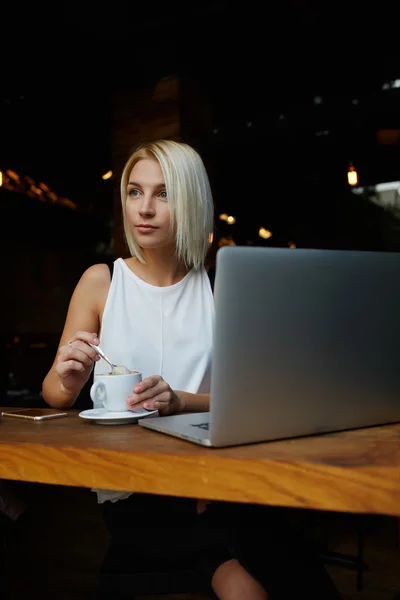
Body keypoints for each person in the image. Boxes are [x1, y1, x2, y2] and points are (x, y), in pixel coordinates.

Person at [42, 139, 341, 600]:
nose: (145, 208)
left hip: (216, 479)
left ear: (191, 201)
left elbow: (252, 400)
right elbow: (53, 396)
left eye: (164, 194)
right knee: (245, 582)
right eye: (135, 192)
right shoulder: (101, 281)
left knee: (300, 574)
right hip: (135, 489)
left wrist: (181, 400)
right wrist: (68, 378)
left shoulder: (221, 288)